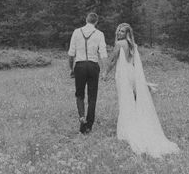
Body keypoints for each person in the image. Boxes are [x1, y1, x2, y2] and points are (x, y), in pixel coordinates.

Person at [102, 23, 179, 157]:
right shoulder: (133, 44)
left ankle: (128, 128)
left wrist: (105, 73)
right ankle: (136, 121)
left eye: (122, 31)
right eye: (118, 30)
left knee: (125, 100)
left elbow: (113, 60)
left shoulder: (120, 43)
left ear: (126, 33)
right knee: (132, 99)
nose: (119, 32)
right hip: (131, 73)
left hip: (124, 75)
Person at [68, 11, 107, 134]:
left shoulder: (76, 32)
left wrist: (71, 69)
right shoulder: (100, 34)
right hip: (93, 66)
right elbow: (103, 54)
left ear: (86, 20)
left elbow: (71, 54)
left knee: (79, 94)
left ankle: (81, 117)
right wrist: (105, 70)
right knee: (92, 96)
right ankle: (88, 126)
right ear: (96, 22)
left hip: (79, 66)